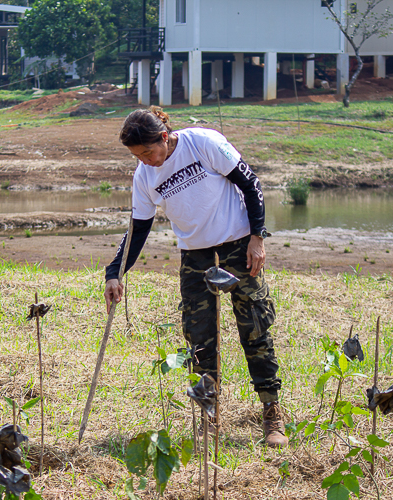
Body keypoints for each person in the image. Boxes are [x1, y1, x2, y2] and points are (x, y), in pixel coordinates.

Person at [104, 106, 287, 448]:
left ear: (164, 137)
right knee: (199, 340)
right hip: (196, 257)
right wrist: (114, 272)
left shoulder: (203, 142)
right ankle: (208, 417)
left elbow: (251, 184)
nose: (145, 161)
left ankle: (272, 412)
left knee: (255, 328)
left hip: (238, 247)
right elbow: (138, 230)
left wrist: (258, 237)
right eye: (136, 156)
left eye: (148, 152)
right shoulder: (144, 177)